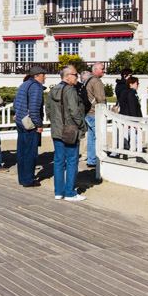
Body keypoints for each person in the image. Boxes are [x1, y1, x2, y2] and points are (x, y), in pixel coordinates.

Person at [47, 65, 87, 201]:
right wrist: (82, 125)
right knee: (71, 160)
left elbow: (48, 110)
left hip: (57, 130)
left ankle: (58, 191)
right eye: (75, 74)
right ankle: (69, 192)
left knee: (58, 161)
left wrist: (55, 123)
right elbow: (74, 111)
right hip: (70, 130)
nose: (77, 77)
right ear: (68, 76)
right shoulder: (70, 90)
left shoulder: (53, 90)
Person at [14, 67, 46, 187]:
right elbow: (34, 109)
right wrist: (38, 124)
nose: (45, 77)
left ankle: (22, 178)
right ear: (37, 75)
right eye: (43, 75)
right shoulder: (36, 87)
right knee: (30, 153)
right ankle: (28, 180)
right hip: (29, 124)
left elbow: (15, 102)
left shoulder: (25, 84)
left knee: (22, 151)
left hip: (20, 121)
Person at [83, 63, 107, 169]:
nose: (104, 70)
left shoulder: (88, 80)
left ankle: (91, 160)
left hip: (88, 112)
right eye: (102, 69)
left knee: (91, 137)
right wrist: (105, 111)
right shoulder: (96, 81)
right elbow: (100, 98)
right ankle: (98, 159)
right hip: (94, 113)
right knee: (99, 137)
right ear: (95, 69)